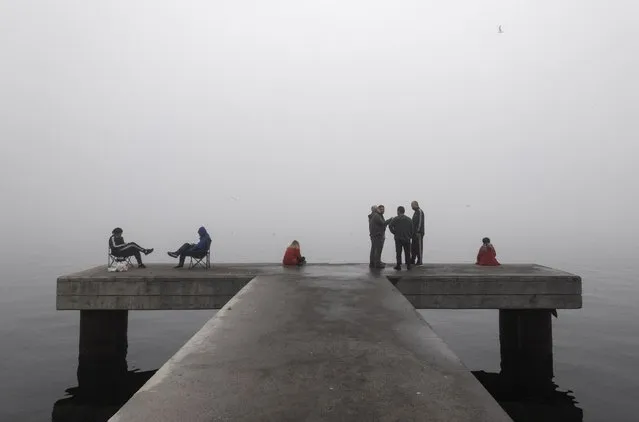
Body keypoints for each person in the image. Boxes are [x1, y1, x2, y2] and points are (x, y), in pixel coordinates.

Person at [388, 206, 414, 271]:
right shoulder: (409, 219)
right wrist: (410, 236)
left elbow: (390, 226)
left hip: (398, 239)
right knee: (407, 253)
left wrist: (394, 232)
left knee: (398, 252)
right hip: (407, 238)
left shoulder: (396, 219)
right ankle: (408, 266)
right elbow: (412, 229)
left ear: (398, 211)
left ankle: (398, 265)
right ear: (404, 211)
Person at [369, 204, 390, 268]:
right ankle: (377, 263)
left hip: (375, 235)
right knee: (378, 249)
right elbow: (383, 223)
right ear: (376, 209)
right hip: (378, 235)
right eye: (379, 209)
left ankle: (374, 262)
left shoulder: (373, 216)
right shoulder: (376, 216)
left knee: (374, 249)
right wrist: (390, 220)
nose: (381, 210)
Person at [410, 200, 425, 265]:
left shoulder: (420, 211)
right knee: (413, 247)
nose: (411, 207)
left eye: (412, 205)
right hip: (414, 233)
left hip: (418, 233)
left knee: (419, 247)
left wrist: (418, 231)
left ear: (416, 205)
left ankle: (420, 261)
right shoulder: (415, 212)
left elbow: (420, 222)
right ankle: (413, 260)